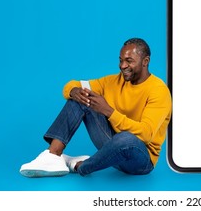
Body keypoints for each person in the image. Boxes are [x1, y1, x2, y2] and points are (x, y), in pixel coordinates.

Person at [20, 38, 172, 177]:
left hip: (140, 160)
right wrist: (73, 91)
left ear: (145, 61)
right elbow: (75, 84)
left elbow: (146, 134)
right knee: (82, 97)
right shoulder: (113, 81)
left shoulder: (158, 91)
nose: (123, 66)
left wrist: (108, 111)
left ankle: (81, 166)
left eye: (129, 61)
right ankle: (53, 155)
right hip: (112, 148)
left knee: (125, 138)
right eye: (120, 60)